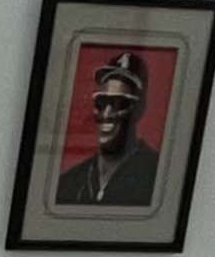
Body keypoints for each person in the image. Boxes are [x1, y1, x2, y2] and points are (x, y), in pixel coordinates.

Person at [56, 49, 160, 210]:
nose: (107, 114)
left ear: (140, 109)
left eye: (119, 103)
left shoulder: (157, 176)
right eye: (101, 102)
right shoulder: (69, 182)